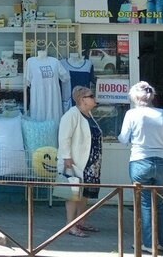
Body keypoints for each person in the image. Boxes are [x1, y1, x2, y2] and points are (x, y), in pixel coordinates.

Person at [118, 81, 163, 253]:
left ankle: (148, 243)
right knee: (158, 203)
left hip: (140, 161)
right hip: (162, 162)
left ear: (134, 98)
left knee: (144, 203)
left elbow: (123, 138)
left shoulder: (131, 114)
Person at [58, 86, 102, 237]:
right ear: (82, 99)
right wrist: (66, 157)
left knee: (85, 193)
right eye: (91, 96)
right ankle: (70, 225)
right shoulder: (72, 114)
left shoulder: (88, 114)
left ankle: (80, 221)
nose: (94, 98)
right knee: (73, 193)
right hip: (76, 161)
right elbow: (64, 136)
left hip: (91, 162)